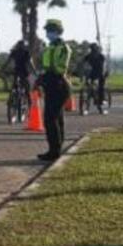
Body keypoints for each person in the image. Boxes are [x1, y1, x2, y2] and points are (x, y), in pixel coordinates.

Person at [36, 19, 71, 162]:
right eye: (47, 30)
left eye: (50, 30)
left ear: (58, 31)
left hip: (58, 84)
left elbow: (59, 68)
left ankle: (54, 151)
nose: (47, 33)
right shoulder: (50, 47)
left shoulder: (62, 47)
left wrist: (46, 75)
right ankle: (56, 149)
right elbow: (45, 65)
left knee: (51, 119)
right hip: (51, 84)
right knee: (56, 118)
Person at [83, 41, 108, 114]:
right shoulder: (89, 56)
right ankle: (90, 94)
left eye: (94, 49)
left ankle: (101, 100)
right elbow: (83, 63)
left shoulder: (101, 56)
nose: (93, 50)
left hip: (101, 73)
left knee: (101, 87)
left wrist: (104, 73)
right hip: (93, 72)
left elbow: (104, 66)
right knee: (88, 84)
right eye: (92, 49)